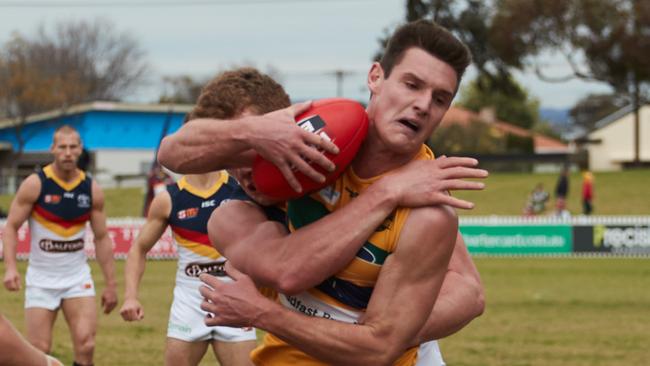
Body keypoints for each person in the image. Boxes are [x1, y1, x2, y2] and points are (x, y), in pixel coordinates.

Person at [160, 20, 485, 365]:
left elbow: (466, 293)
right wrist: (254, 132)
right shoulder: (301, 151)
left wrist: (398, 328)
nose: (422, 105)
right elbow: (172, 153)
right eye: (411, 85)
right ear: (375, 77)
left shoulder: (423, 197)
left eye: (439, 98)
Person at [119, 70, 292, 366]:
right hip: (189, 303)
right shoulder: (168, 199)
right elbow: (138, 248)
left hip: (236, 297)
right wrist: (130, 296)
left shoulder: (243, 188)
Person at [2, 125, 117, 366]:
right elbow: (11, 226)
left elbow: (102, 238)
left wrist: (111, 285)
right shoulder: (36, 184)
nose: (67, 152)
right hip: (41, 279)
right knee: (38, 349)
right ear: (52, 149)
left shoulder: (91, 188)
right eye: (62, 147)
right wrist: (11, 268)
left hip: (76, 278)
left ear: (80, 149)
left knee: (86, 344)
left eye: (73, 147)